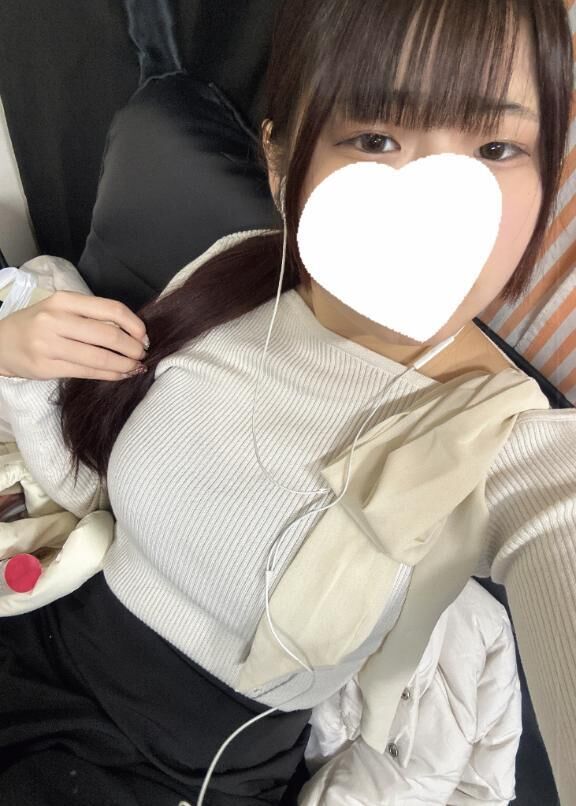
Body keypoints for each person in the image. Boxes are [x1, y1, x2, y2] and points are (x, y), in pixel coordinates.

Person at [0, 0, 575, 804]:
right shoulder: (237, 271)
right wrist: (12, 353)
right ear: (280, 162)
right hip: (43, 641)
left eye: (495, 148)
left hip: (179, 771)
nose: (437, 210)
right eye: (375, 139)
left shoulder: (506, 437)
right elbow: (114, 482)